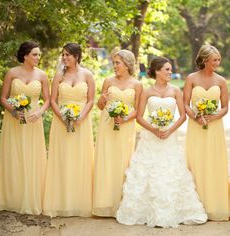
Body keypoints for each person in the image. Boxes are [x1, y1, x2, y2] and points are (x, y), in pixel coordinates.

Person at [116, 56, 207, 228]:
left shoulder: (175, 91)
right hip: (151, 138)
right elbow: (140, 117)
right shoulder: (147, 92)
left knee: (171, 171)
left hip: (169, 138)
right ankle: (145, 211)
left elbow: (182, 115)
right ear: (157, 71)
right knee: (148, 172)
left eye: (170, 69)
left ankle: (174, 210)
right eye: (167, 69)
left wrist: (169, 130)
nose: (170, 72)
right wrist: (154, 130)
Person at [0, 41, 50, 214]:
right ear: (25, 55)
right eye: (34, 54)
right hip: (14, 119)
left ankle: (31, 197)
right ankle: (12, 198)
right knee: (14, 155)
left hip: (33, 119)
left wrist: (40, 112)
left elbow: (47, 100)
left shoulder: (42, 75)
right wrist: (12, 111)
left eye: (39, 54)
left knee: (32, 156)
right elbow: (3, 98)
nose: (38, 57)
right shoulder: (12, 73)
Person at [43, 43, 95, 217]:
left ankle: (79, 202)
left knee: (80, 158)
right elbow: (53, 100)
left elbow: (90, 100)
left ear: (77, 56)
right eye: (63, 55)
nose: (65, 58)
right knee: (63, 158)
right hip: (61, 123)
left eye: (68, 55)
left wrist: (80, 117)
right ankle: (61, 202)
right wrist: (63, 117)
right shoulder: (58, 76)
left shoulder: (88, 75)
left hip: (82, 122)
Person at [93, 49, 143, 217]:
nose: (114, 66)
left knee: (123, 162)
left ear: (127, 65)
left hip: (126, 127)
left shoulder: (137, 85)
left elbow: (138, 110)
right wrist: (102, 100)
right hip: (107, 126)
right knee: (106, 160)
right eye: (113, 63)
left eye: (117, 63)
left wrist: (125, 119)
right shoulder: (108, 81)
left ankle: (121, 205)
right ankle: (104, 204)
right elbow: (100, 106)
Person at [183, 45, 229, 221]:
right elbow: (185, 103)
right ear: (204, 60)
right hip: (196, 126)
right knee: (196, 161)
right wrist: (195, 117)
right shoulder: (191, 78)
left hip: (214, 127)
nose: (217, 63)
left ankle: (214, 205)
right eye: (214, 60)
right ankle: (195, 205)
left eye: (218, 59)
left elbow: (225, 107)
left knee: (213, 162)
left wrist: (214, 116)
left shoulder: (221, 81)